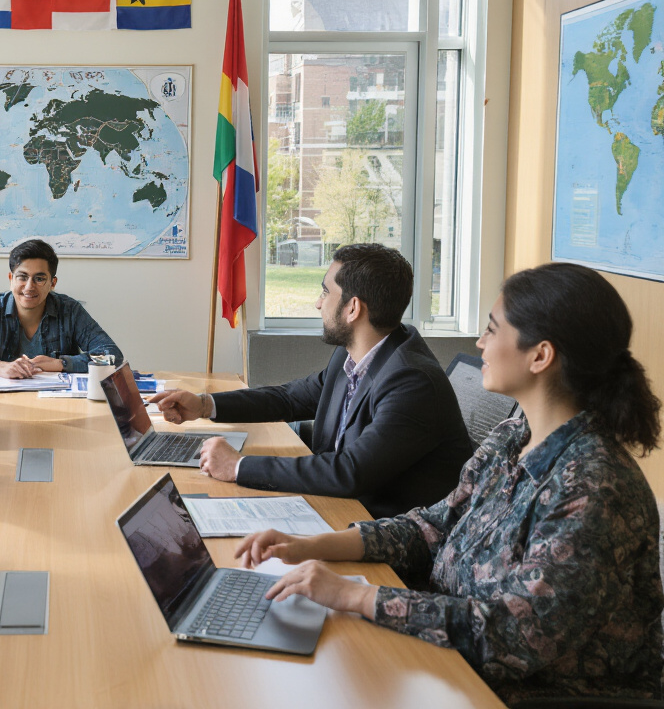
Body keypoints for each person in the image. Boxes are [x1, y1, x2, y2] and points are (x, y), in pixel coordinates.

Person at [235, 263, 663, 704]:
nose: (480, 344)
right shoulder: (512, 438)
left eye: (493, 331)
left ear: (540, 356)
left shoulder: (594, 487)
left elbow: (514, 634)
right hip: (447, 653)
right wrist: (311, 544)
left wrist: (353, 595)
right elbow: (432, 526)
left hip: (523, 691)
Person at [151, 243, 472, 518]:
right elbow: (290, 398)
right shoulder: (356, 354)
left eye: (325, 292)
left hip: (382, 533)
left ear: (353, 308)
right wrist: (204, 405)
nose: (318, 303)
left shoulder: (411, 381)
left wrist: (239, 467)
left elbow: (351, 472)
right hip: (339, 508)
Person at [0, 238, 122, 377]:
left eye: (39, 279)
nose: (29, 287)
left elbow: (112, 355)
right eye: (22, 277)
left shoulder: (70, 310)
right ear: (11, 278)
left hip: (58, 404)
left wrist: (60, 364)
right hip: (0, 399)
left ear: (52, 283)